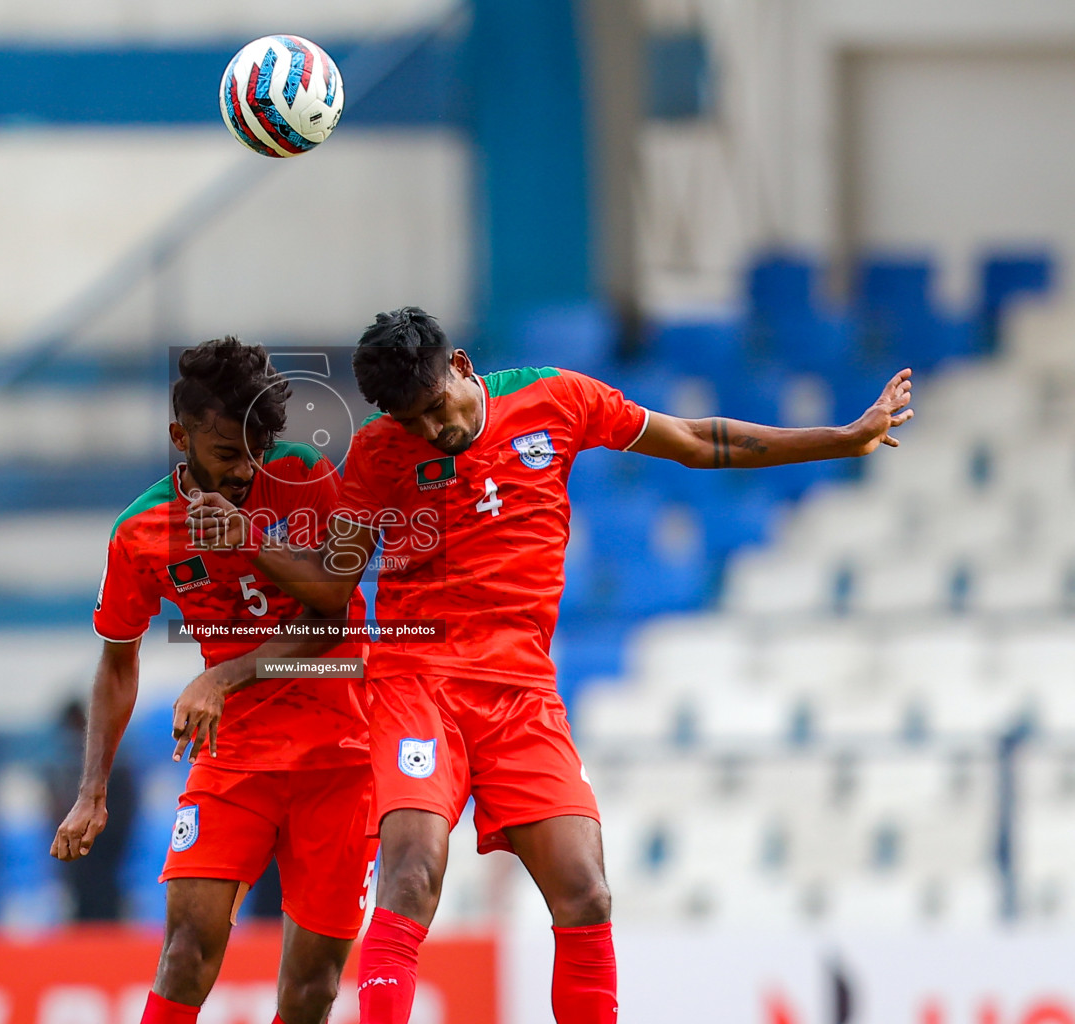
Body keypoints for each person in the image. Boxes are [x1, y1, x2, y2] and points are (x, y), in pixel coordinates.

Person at [188, 307, 914, 1024]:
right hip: (418, 685)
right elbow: (333, 589)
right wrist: (251, 539)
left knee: (587, 894)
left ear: (463, 365)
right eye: (414, 421)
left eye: (438, 407)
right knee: (410, 878)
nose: (433, 431)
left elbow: (692, 439)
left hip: (523, 693)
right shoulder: (379, 453)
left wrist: (843, 440)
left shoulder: (557, 398)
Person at [52, 337, 377, 1024]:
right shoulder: (140, 532)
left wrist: (226, 669)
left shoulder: (306, 474)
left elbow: (335, 610)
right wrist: (92, 792)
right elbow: (117, 664)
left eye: (256, 452)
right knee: (186, 952)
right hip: (234, 762)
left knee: (312, 986)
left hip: (339, 755)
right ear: (181, 437)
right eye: (227, 453)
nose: (243, 471)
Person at [46, 700, 134, 921]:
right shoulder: (62, 767)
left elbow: (125, 815)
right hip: (75, 865)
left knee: (103, 907)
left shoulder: (114, 765)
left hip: (105, 859)